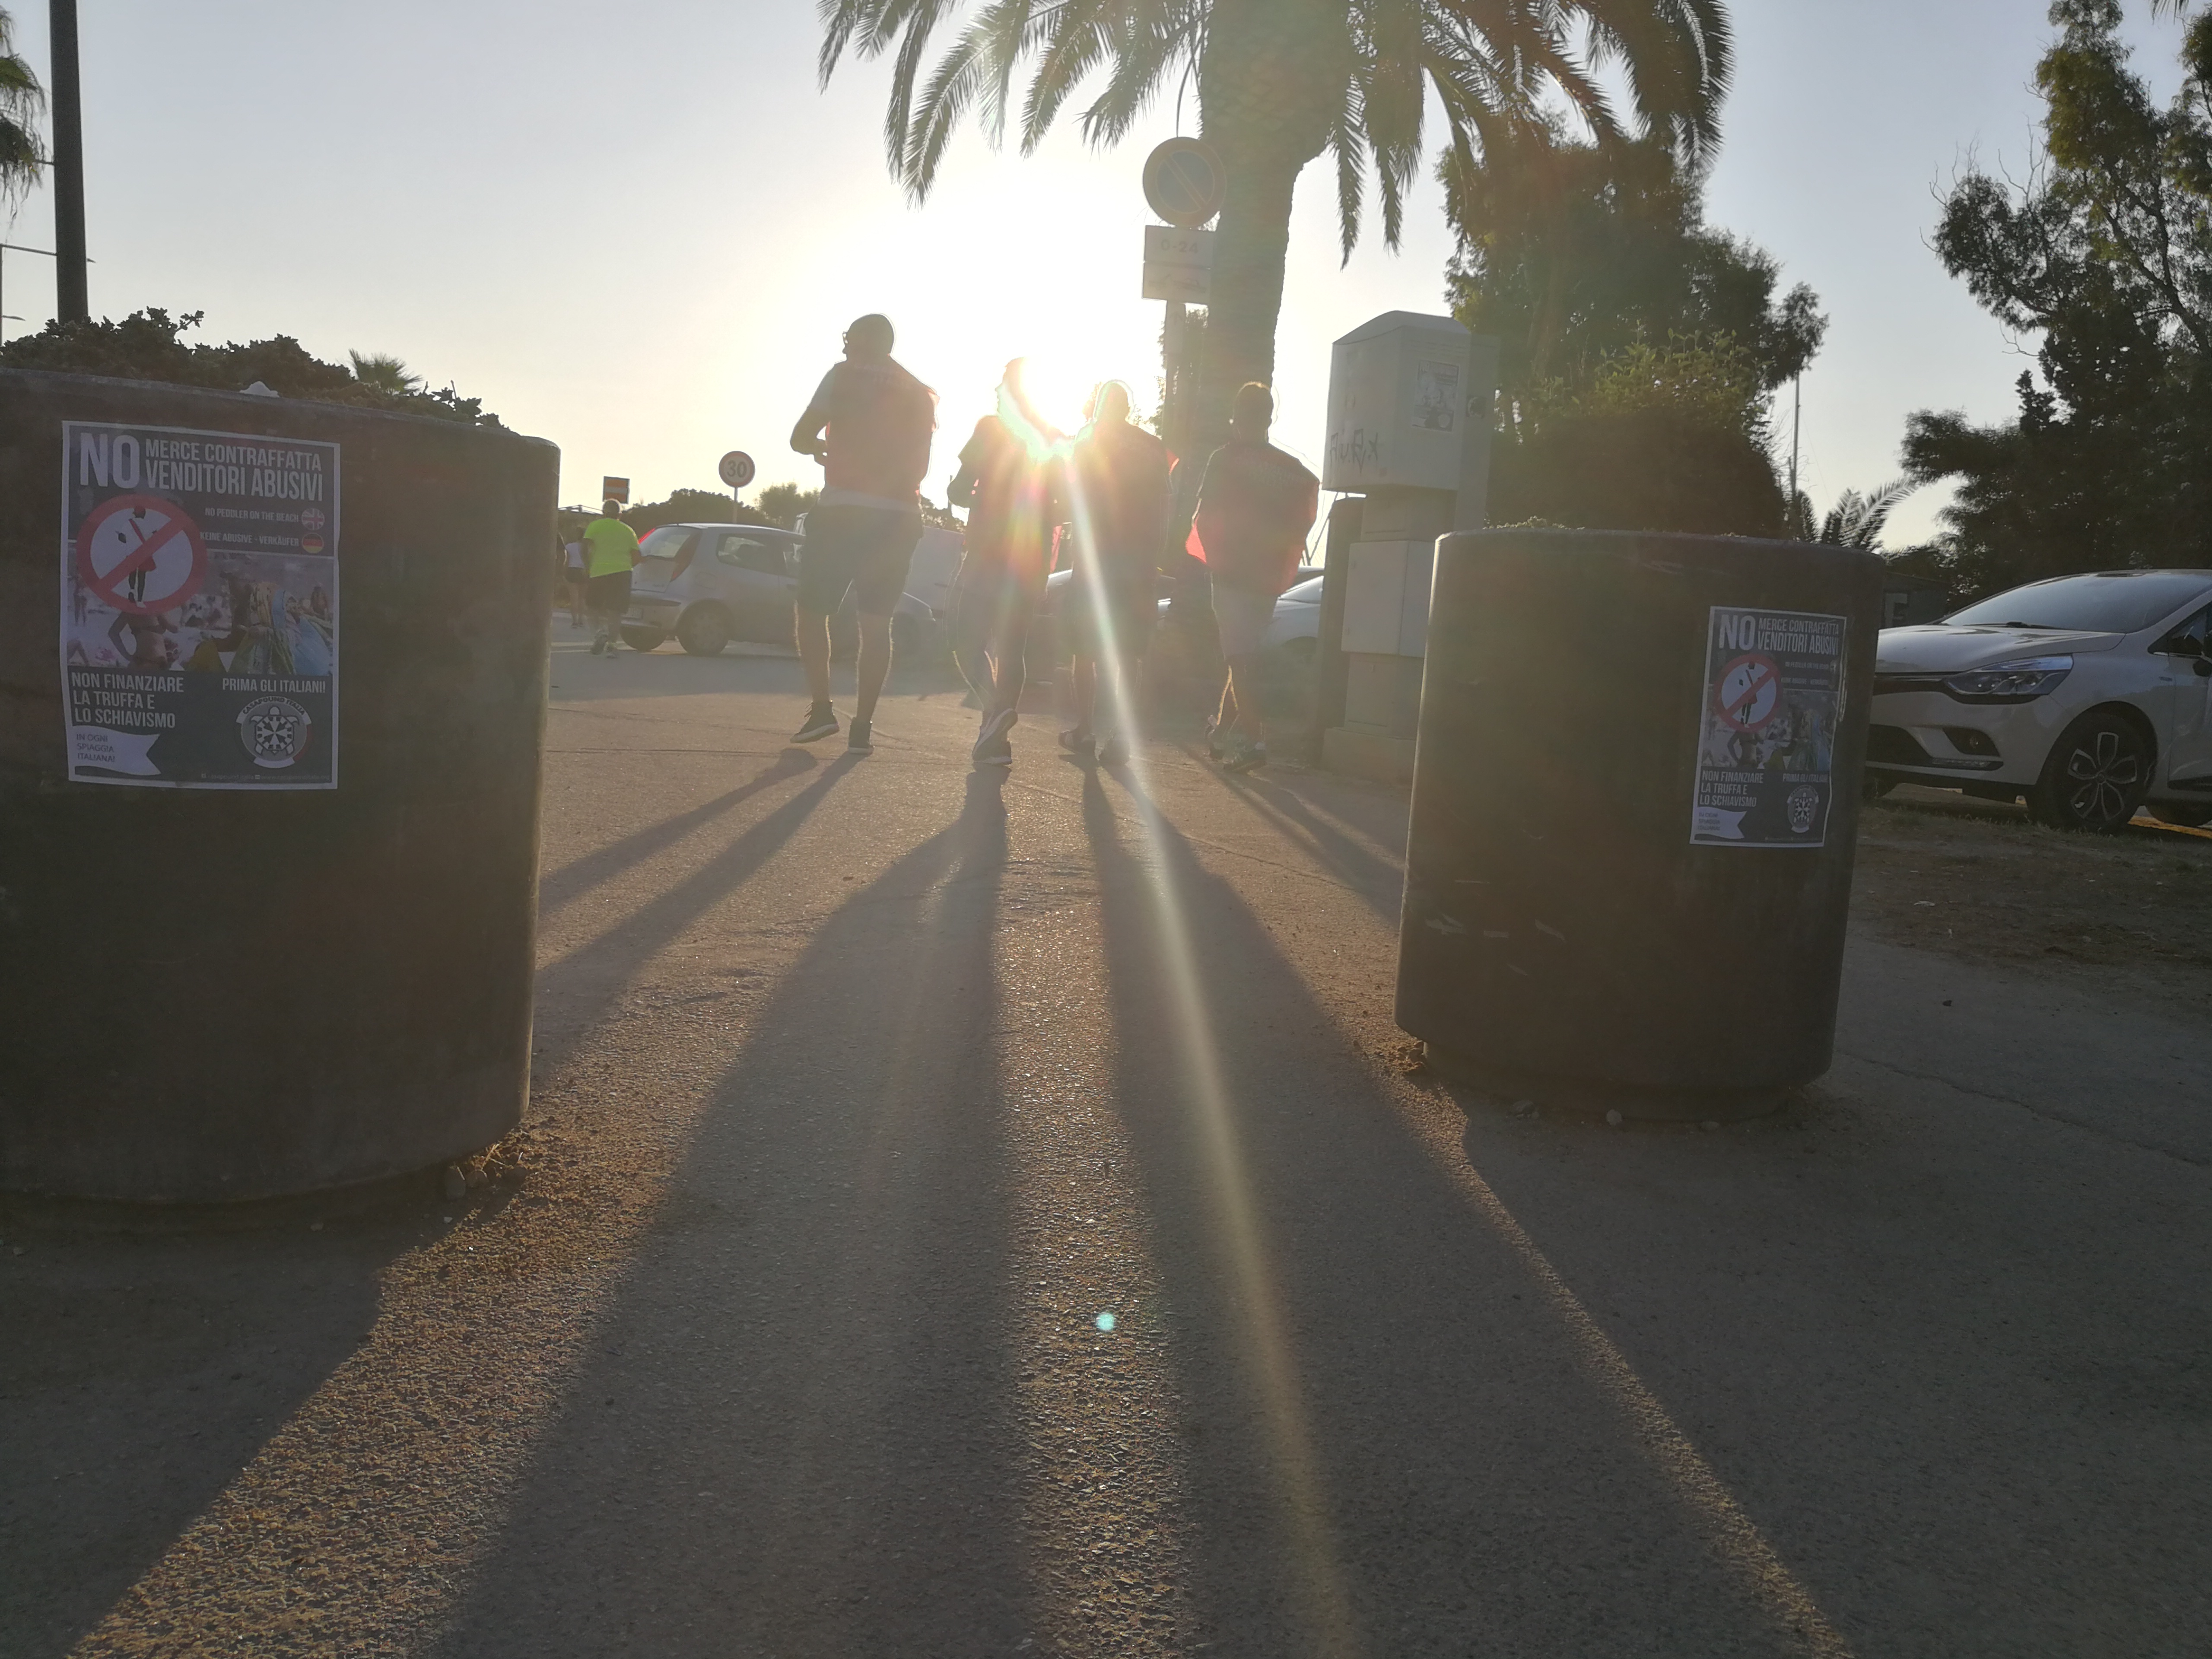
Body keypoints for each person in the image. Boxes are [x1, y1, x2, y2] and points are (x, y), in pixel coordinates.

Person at [787, 313, 937, 754]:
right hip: (898, 517)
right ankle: (863, 727)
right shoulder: (920, 393)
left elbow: (799, 436)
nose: (844, 348)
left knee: (812, 612)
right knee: (876, 625)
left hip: (843, 511)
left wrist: (819, 449)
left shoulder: (842, 377)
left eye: (847, 339)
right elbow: (922, 467)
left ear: (859, 341)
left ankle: (821, 710)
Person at [1191, 382, 1319, 773]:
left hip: (1231, 576)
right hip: (1266, 579)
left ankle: (1255, 739)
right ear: (1269, 417)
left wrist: (1215, 557)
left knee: (1239, 658)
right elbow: (1309, 497)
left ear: (1237, 415)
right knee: (1242, 657)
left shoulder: (1224, 459)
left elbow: (1203, 514)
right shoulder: (1289, 469)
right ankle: (1219, 734)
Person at [945, 359, 1063, 769]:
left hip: (988, 552)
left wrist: (979, 497)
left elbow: (959, 488)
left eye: (1002, 386)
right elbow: (1064, 500)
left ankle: (994, 714)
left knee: (965, 641)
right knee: (1013, 648)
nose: (997, 391)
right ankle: (994, 738)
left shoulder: (990, 429)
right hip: (1030, 556)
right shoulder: (1050, 437)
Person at [1059, 380, 1171, 768]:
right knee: (1129, 652)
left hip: (1096, 559)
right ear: (1127, 409)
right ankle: (1121, 736)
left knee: (1084, 648)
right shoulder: (1153, 448)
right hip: (1138, 562)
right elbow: (1164, 503)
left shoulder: (1088, 439)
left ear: (1098, 407)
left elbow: (1073, 494)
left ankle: (1085, 730)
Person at [581, 500, 641, 655]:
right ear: (620, 515)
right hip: (622, 572)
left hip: (599, 571)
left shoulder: (595, 526)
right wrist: (628, 566)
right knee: (615, 611)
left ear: (603, 512)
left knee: (592, 607)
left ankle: (599, 632)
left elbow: (585, 546)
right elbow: (636, 555)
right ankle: (612, 645)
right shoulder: (628, 530)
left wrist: (588, 566)